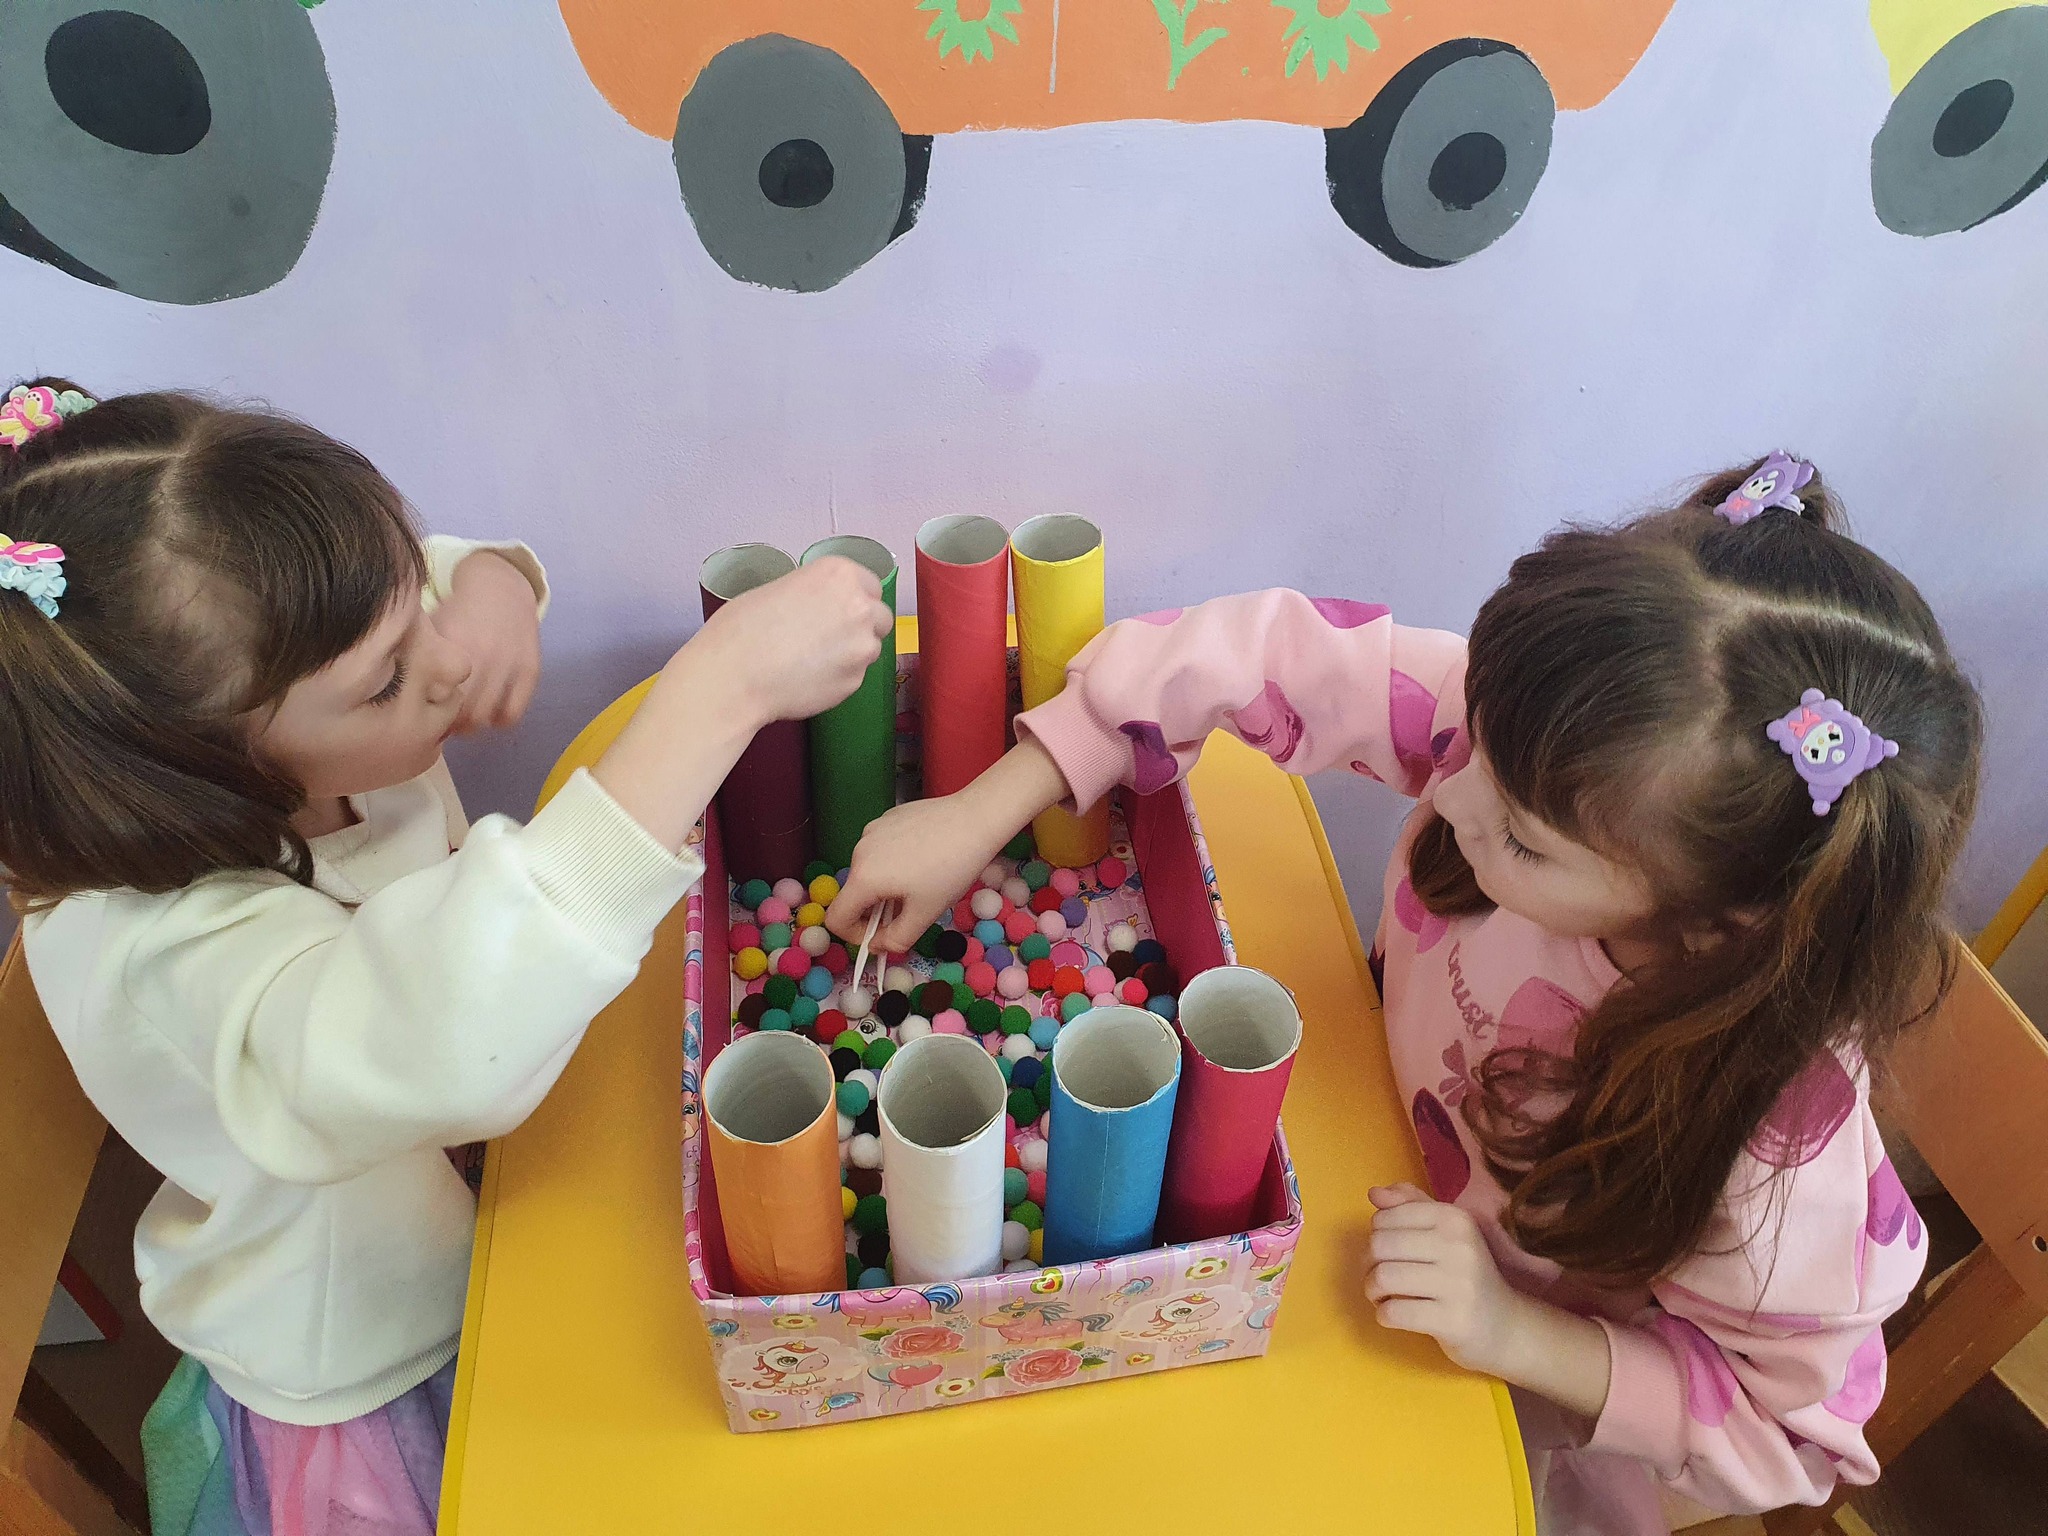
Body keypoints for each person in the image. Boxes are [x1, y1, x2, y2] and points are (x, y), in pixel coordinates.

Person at [828, 454, 1981, 1532]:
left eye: (1519, 841)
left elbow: (1792, 1436)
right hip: (1345, 1169)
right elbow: (1254, 654)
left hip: (1488, 1395)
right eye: (1470, 742)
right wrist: (980, 810)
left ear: (1709, 924)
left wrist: (1510, 1329)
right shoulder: (1524, 744)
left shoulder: (1775, 1144)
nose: (1449, 791)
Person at [0, 379, 892, 1536]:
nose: (444, 664)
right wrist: (717, 695)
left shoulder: (279, 676)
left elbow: (401, 589)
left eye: (414, 604)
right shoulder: (170, 956)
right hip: (378, 1358)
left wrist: (488, 582)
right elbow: (441, 1041)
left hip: (496, 1201)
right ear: (200, 774)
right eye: (387, 677)